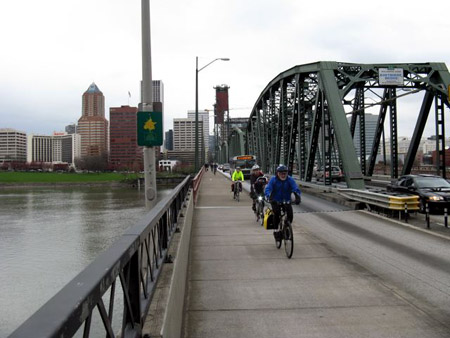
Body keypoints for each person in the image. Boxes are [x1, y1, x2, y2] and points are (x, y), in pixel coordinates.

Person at [265, 164, 301, 239]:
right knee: (276, 215)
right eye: (281, 173)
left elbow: (295, 188)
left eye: (285, 173)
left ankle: (287, 227)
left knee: (290, 215)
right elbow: (268, 189)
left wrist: (297, 196)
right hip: (275, 200)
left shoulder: (290, 180)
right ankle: (276, 230)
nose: (283, 175)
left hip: (286, 200)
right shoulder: (273, 180)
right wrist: (269, 196)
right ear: (277, 173)